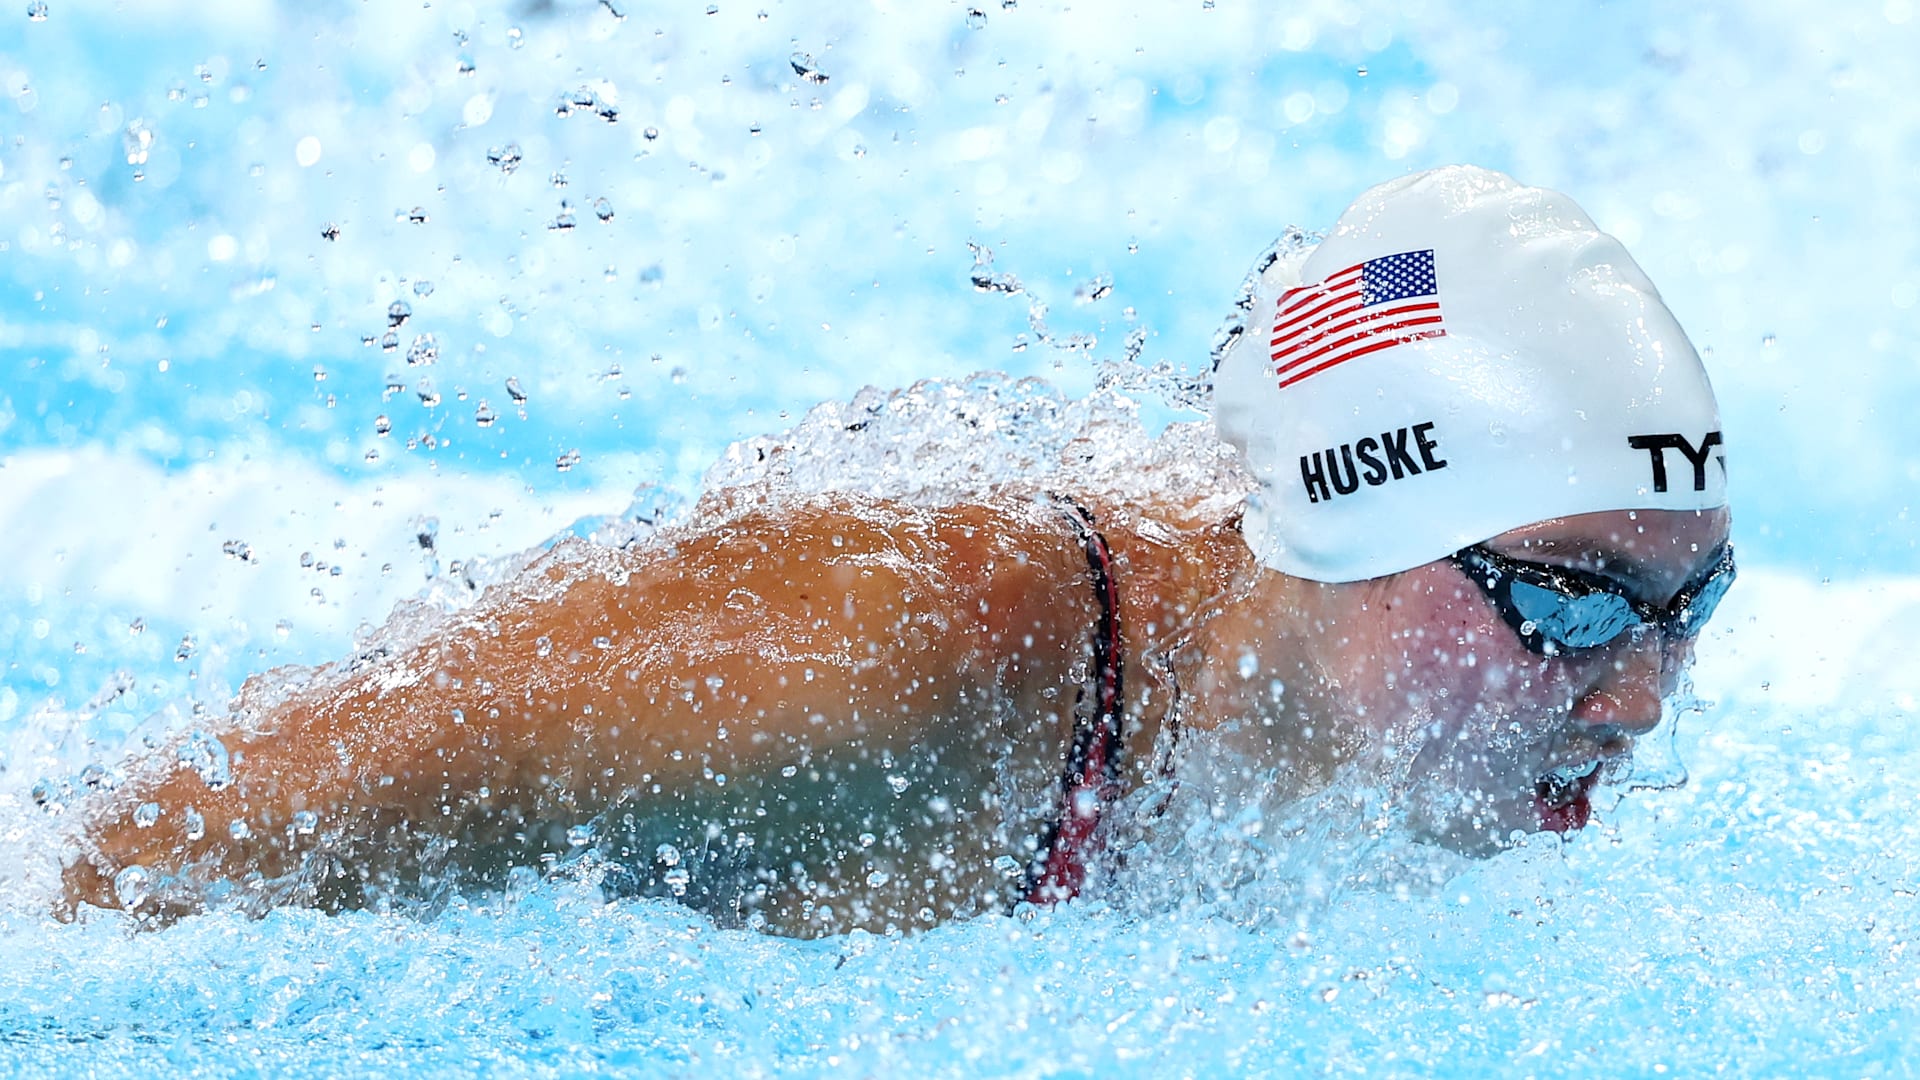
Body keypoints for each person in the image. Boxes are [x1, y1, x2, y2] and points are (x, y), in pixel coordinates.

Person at [59, 165, 1735, 937]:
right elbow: (150, 852)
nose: (1641, 700)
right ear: (1347, 522)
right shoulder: (883, 657)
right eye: (1570, 596)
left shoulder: (1346, 744)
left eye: (1688, 603)